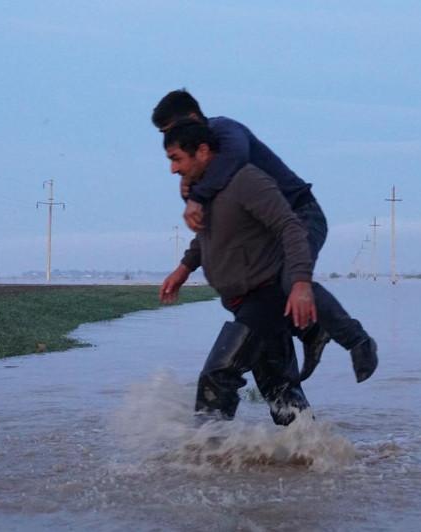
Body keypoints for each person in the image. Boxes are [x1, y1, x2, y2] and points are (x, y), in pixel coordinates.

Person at [154, 89, 377, 383]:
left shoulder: (226, 135)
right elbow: (214, 232)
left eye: (172, 132)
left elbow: (237, 156)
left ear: (193, 120)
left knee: (290, 278)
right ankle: (306, 338)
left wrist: (197, 194)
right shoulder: (208, 176)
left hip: (300, 213)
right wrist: (186, 266)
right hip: (264, 233)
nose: (169, 142)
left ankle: (355, 340)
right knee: (270, 321)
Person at [160, 121, 313, 425]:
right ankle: (314, 458)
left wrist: (300, 283)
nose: (173, 170)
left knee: (217, 377)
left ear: (202, 151)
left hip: (267, 297)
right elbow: (208, 236)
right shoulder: (208, 192)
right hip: (247, 302)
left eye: (177, 159)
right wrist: (184, 267)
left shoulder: (245, 181)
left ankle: (204, 462)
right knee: (282, 393)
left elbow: (291, 226)